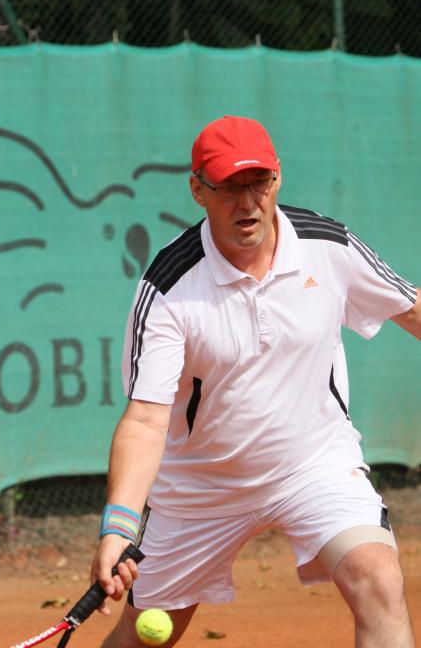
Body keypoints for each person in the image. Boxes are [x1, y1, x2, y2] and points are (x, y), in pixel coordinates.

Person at [91, 116, 420, 648]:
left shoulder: (327, 246)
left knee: (379, 580)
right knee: (146, 636)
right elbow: (147, 420)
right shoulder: (169, 287)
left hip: (314, 465)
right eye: (228, 187)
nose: (247, 203)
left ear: (278, 177)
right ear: (198, 189)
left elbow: (412, 309)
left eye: (258, 183)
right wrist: (118, 528)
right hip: (202, 486)